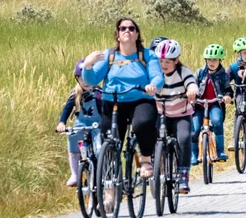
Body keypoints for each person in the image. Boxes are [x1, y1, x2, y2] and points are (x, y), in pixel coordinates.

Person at [81, 18, 162, 184]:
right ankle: (110, 193)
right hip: (112, 102)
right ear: (117, 34)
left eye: (132, 28)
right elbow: (92, 80)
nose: (127, 31)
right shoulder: (109, 56)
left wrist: (153, 85)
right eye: (123, 28)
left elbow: (157, 76)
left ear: (137, 34)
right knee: (108, 142)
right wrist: (88, 66)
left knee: (143, 123)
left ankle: (145, 159)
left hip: (140, 99)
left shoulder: (147, 55)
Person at [152, 39, 199, 193]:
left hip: (181, 114)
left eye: (167, 61)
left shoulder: (182, 72)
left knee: (184, 139)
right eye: (160, 61)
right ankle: (155, 166)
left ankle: (183, 174)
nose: (163, 65)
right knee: (152, 136)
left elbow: (191, 82)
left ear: (176, 60)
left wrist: (192, 90)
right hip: (162, 114)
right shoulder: (155, 72)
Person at [57, 60, 103, 187]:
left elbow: (106, 109)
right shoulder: (76, 93)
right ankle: (75, 174)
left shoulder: (99, 92)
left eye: (88, 78)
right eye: (82, 79)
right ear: (77, 79)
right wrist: (62, 123)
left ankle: (101, 171)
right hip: (81, 124)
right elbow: (67, 109)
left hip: (96, 125)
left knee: (99, 149)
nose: (85, 82)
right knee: (72, 137)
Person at [192, 44, 232, 163]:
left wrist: (227, 96)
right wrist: (191, 94)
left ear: (220, 60)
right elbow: (192, 85)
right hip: (199, 105)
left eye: (215, 59)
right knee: (194, 130)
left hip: (214, 104)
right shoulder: (199, 73)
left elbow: (228, 90)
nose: (212, 62)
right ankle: (193, 154)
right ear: (205, 60)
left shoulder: (224, 75)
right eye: (209, 59)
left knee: (217, 121)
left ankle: (220, 151)